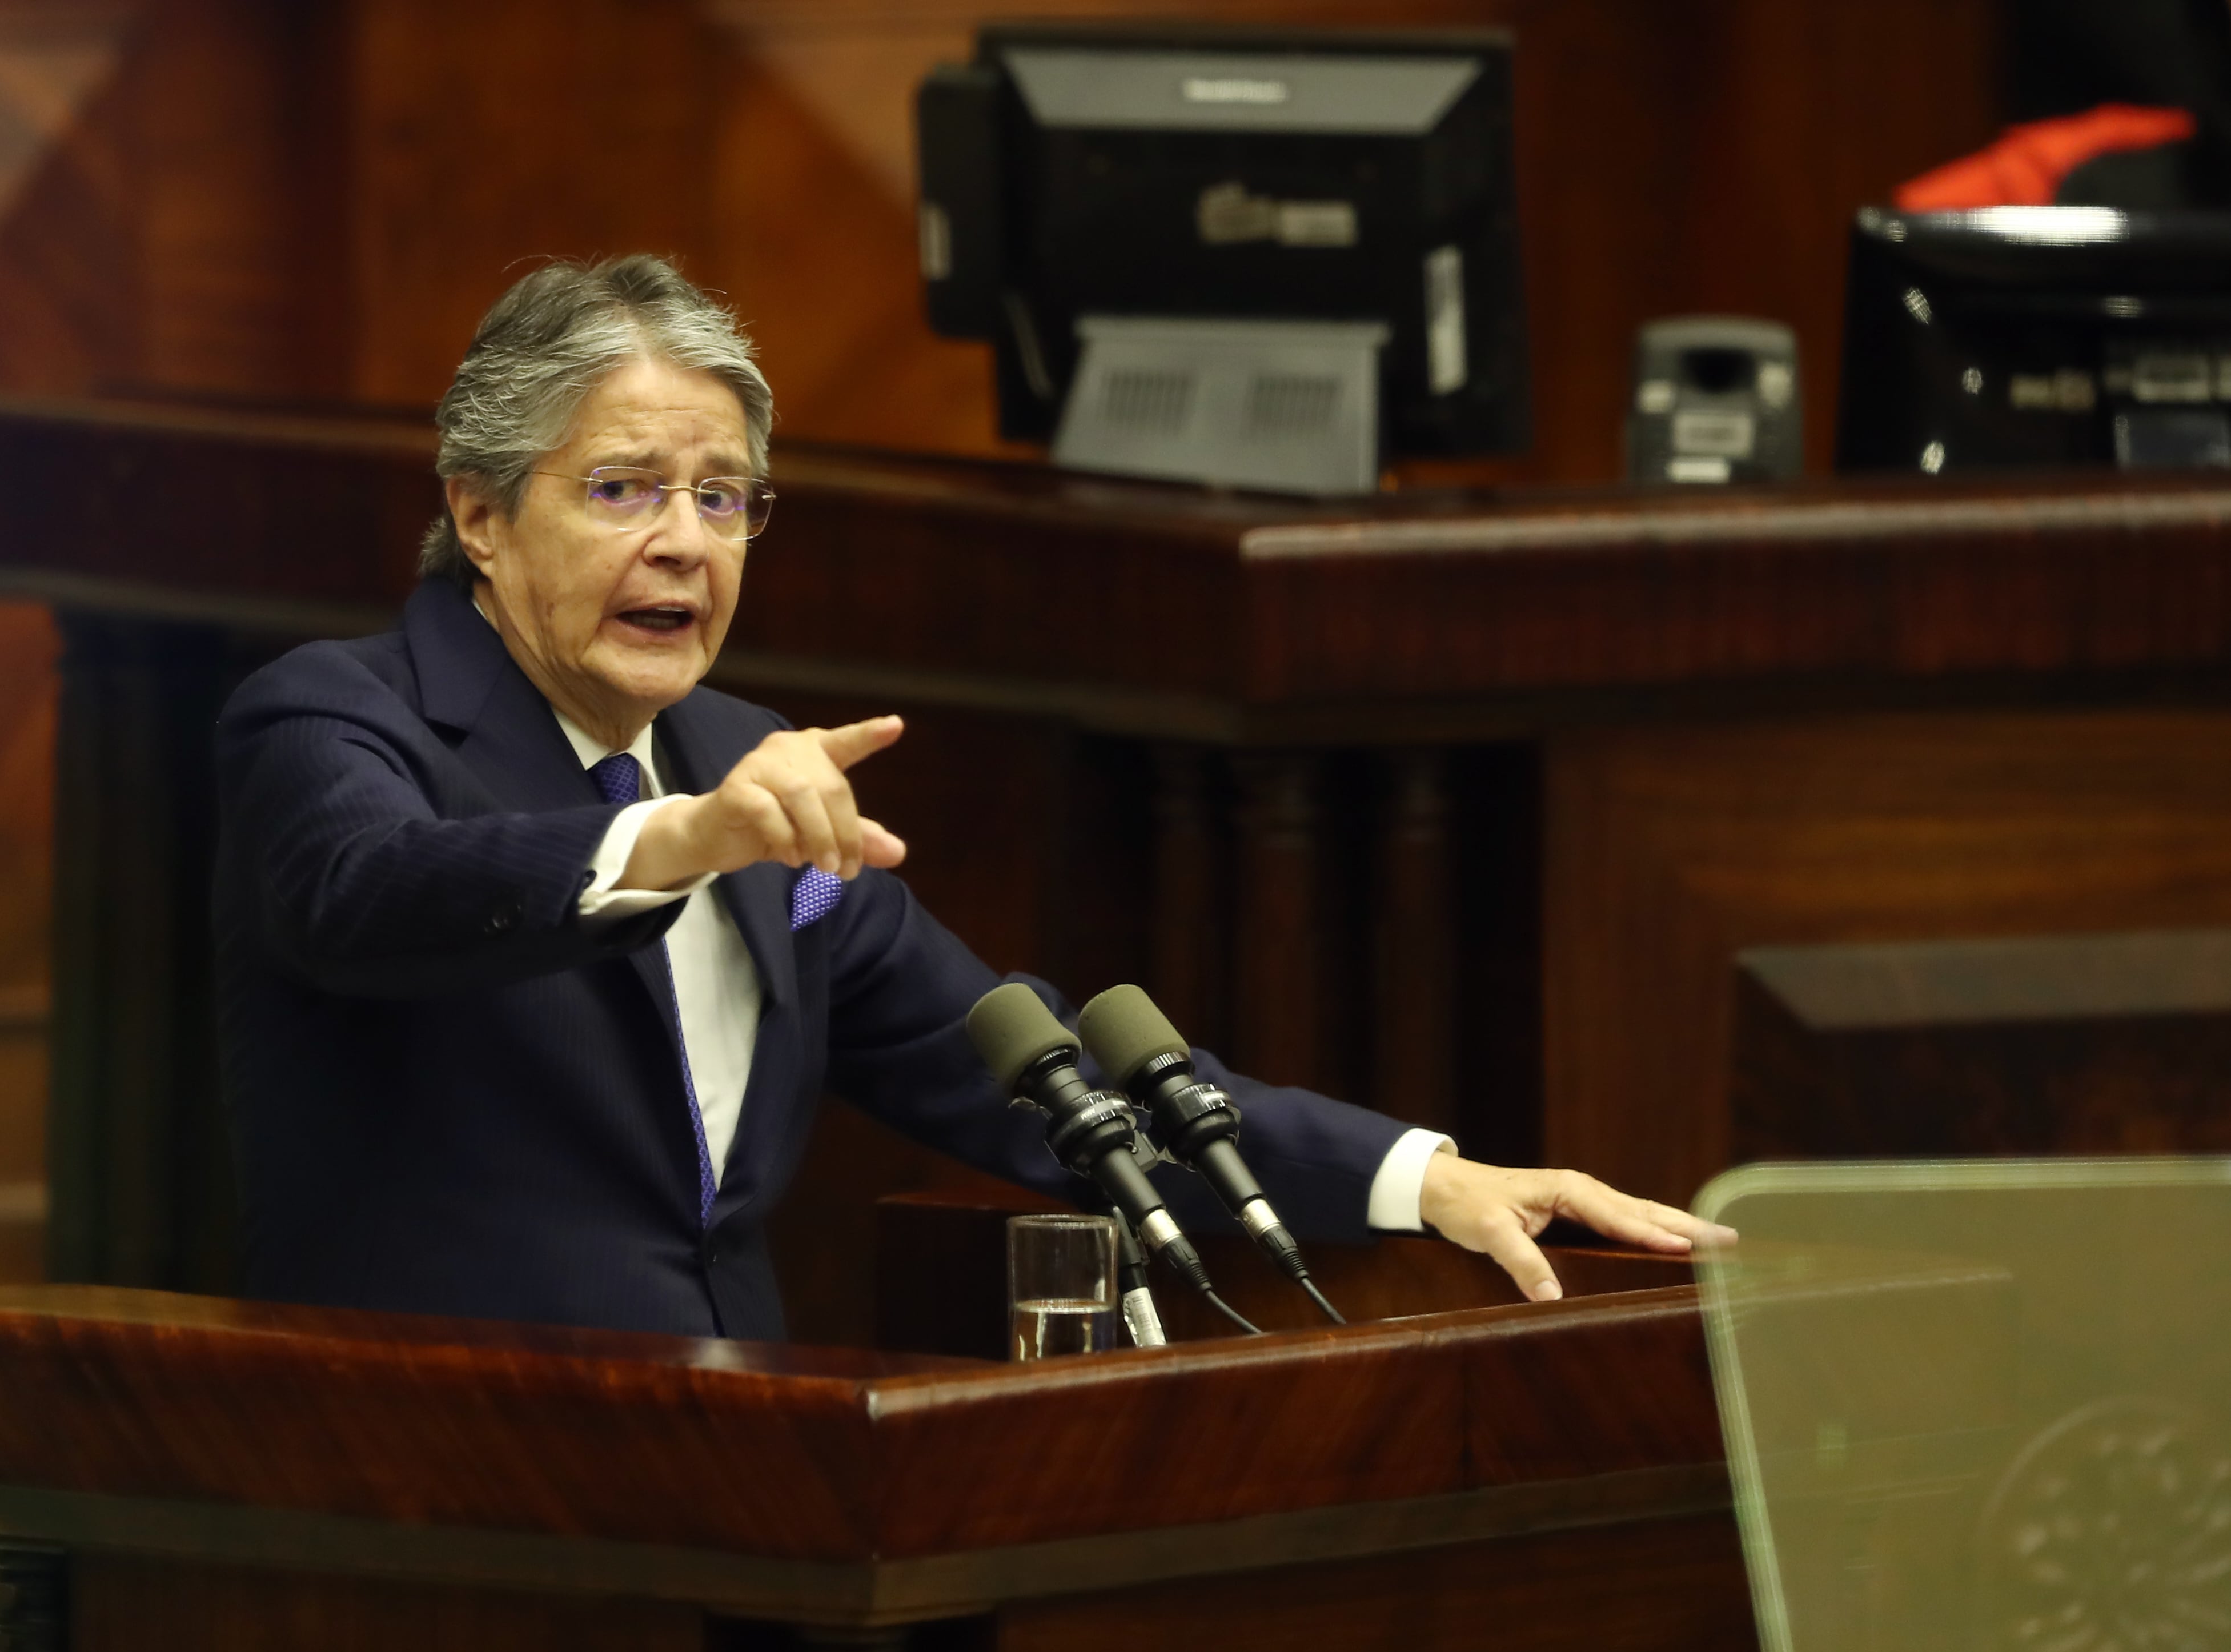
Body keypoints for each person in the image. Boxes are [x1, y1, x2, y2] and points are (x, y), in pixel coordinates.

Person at [215, 254, 1727, 1340]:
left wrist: (1427, 1176)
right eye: (622, 490)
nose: (687, 543)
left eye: (723, 496)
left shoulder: (746, 770)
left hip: (725, 1469)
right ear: (479, 515)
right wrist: (677, 842)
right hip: (419, 1489)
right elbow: (370, 903)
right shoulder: (336, 718)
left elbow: (1032, 1072)